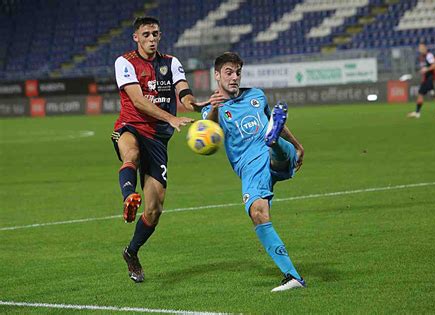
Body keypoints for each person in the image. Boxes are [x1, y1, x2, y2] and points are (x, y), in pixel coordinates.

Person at [201, 52, 306, 292]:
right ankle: (276, 144)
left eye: (238, 72)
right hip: (250, 164)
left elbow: (274, 119)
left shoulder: (256, 95)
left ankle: (276, 143)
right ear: (217, 75)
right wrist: (216, 108)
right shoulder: (211, 110)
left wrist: (298, 144)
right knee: (259, 212)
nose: (235, 77)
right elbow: (210, 132)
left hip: (260, 157)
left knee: (258, 210)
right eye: (229, 72)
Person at [111, 16, 203, 283]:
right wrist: (171, 118)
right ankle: (129, 196)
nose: (152, 38)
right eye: (147, 34)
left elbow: (183, 93)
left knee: (154, 209)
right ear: (136, 37)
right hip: (131, 126)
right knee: (131, 154)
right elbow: (138, 101)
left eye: (156, 34)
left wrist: (197, 105)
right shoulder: (125, 62)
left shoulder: (171, 63)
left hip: (158, 140)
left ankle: (131, 252)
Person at [407, 43, 435, 118]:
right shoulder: (421, 57)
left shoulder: (429, 55)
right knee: (420, 94)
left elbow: (434, 65)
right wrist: (422, 71)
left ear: (425, 48)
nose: (420, 49)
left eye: (421, 47)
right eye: (419, 48)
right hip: (425, 79)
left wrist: (426, 69)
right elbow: (424, 68)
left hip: (431, 79)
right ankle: (417, 112)